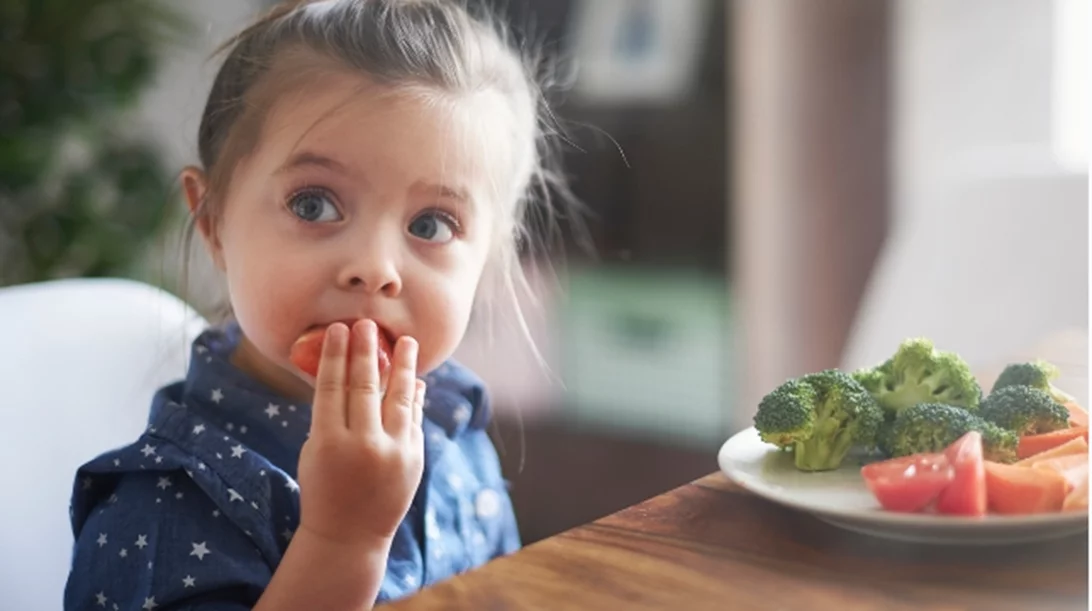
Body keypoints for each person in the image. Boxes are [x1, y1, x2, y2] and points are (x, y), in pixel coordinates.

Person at [63, 0, 577, 608]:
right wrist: (343, 541)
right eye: (313, 205)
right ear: (214, 221)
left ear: (489, 259)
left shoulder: (453, 425)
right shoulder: (159, 512)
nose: (375, 269)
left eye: (432, 224)